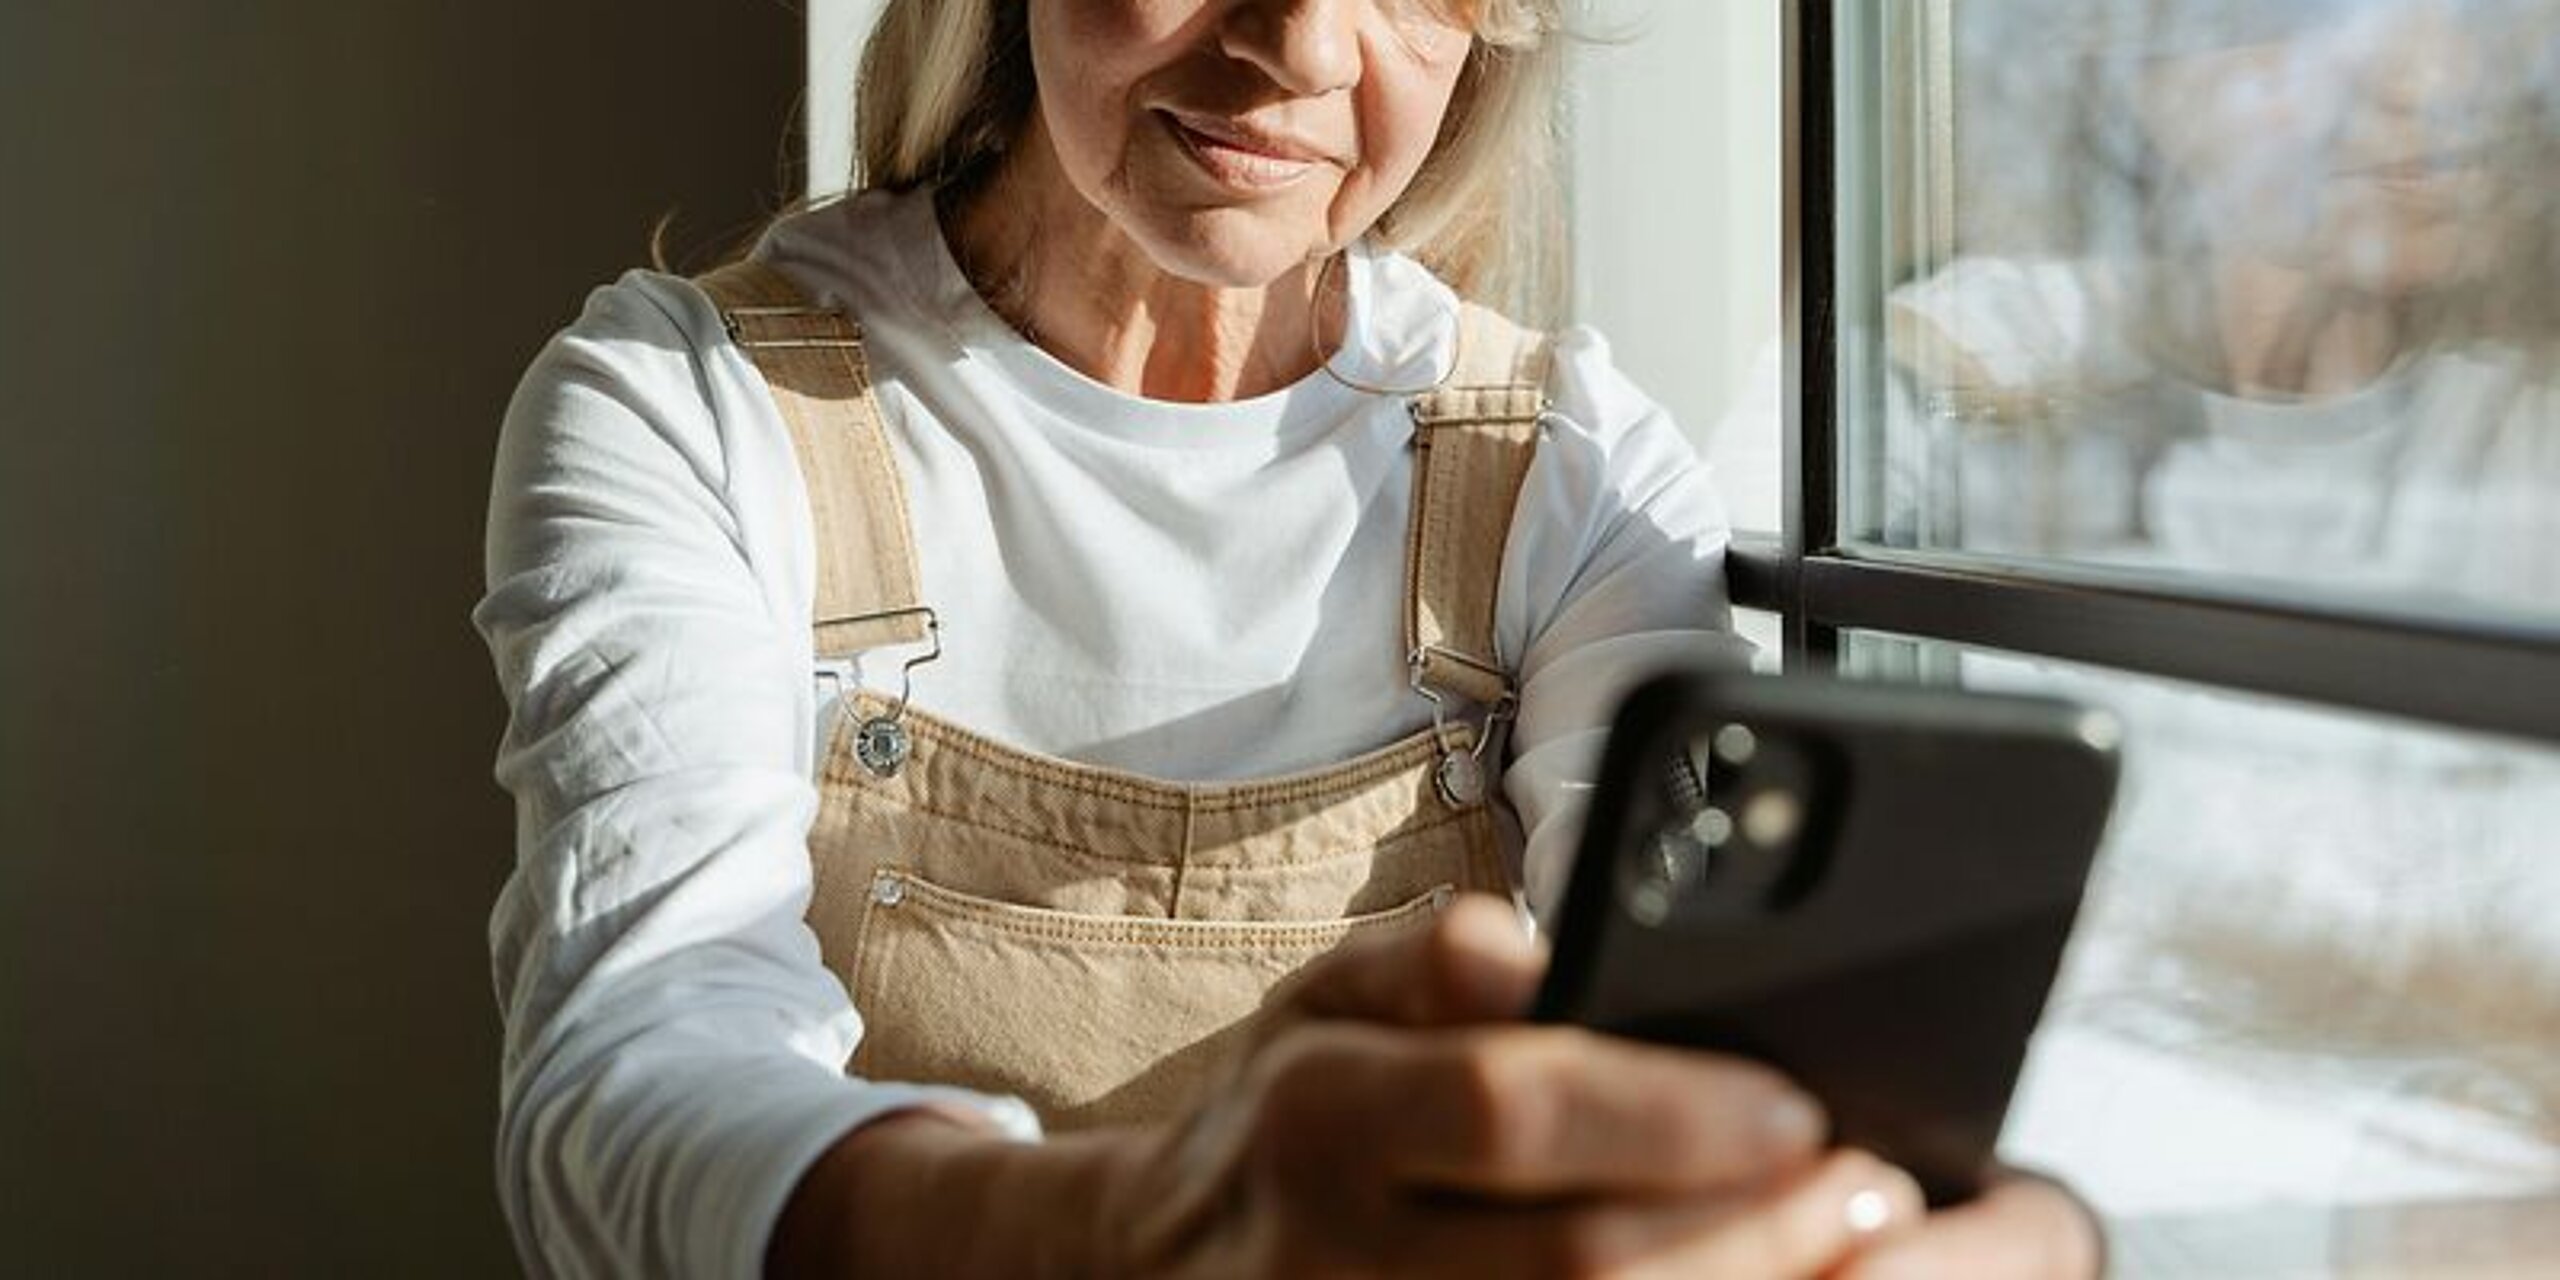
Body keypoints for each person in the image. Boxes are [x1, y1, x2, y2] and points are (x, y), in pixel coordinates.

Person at [474, 0, 2101, 1274]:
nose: (1304, 48)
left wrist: (1942, 1216)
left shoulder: (1573, 471)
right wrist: (1158, 1237)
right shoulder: (692, 407)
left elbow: (1693, 1050)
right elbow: (629, 1089)